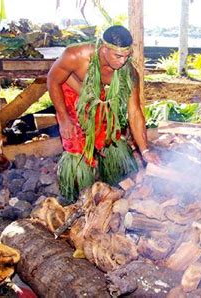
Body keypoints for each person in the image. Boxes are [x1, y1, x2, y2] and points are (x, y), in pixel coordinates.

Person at [47, 25, 159, 203]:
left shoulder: (128, 72)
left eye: (126, 56)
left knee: (111, 139)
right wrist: (63, 118)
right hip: (70, 94)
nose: (122, 61)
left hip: (96, 96)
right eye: (118, 56)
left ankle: (114, 184)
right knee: (77, 146)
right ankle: (78, 195)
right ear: (104, 48)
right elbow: (52, 81)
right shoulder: (76, 55)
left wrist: (145, 150)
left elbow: (135, 112)